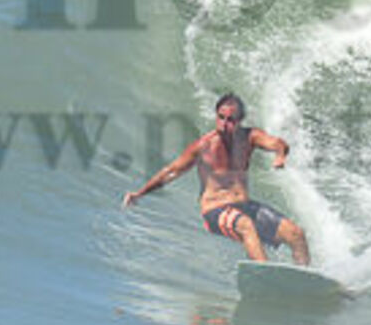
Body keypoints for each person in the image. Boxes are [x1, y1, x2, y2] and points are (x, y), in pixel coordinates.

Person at [122, 93, 312, 267]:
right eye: (221, 117)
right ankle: (265, 274)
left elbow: (278, 143)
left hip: (245, 206)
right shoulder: (204, 146)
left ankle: (304, 277)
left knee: (296, 233)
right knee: (245, 225)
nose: (224, 124)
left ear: (239, 121)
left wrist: (280, 155)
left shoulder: (249, 137)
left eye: (230, 120)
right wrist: (140, 193)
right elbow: (170, 172)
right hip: (215, 210)